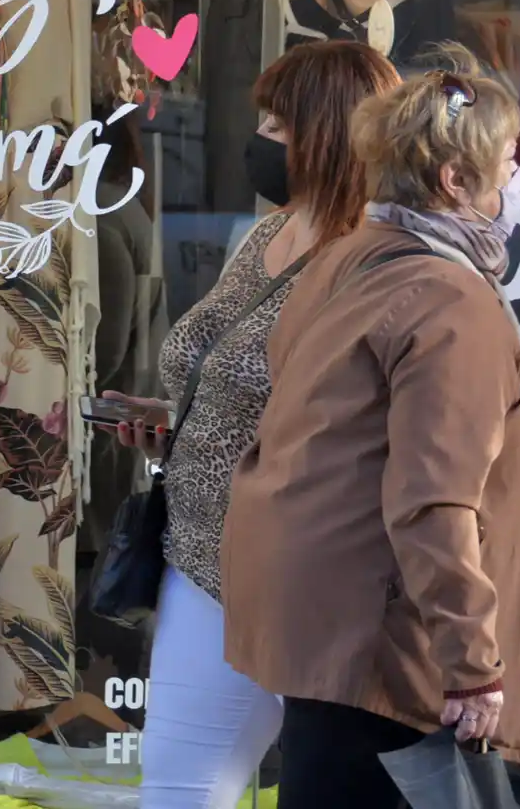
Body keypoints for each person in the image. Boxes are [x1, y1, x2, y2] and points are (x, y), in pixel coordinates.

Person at [220, 48, 520, 805]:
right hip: (393, 645)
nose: (514, 184)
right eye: (503, 164)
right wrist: (475, 666)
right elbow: (434, 500)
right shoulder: (448, 301)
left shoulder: (348, 261)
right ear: (454, 182)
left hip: (327, 624)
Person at [105, 40, 402, 807]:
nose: (259, 142)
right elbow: (235, 377)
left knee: (203, 788)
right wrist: (173, 418)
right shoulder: (271, 233)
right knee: (179, 787)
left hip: (281, 570)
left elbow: (337, 420)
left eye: (278, 127)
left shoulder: (369, 264)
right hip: (198, 551)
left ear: (328, 137)